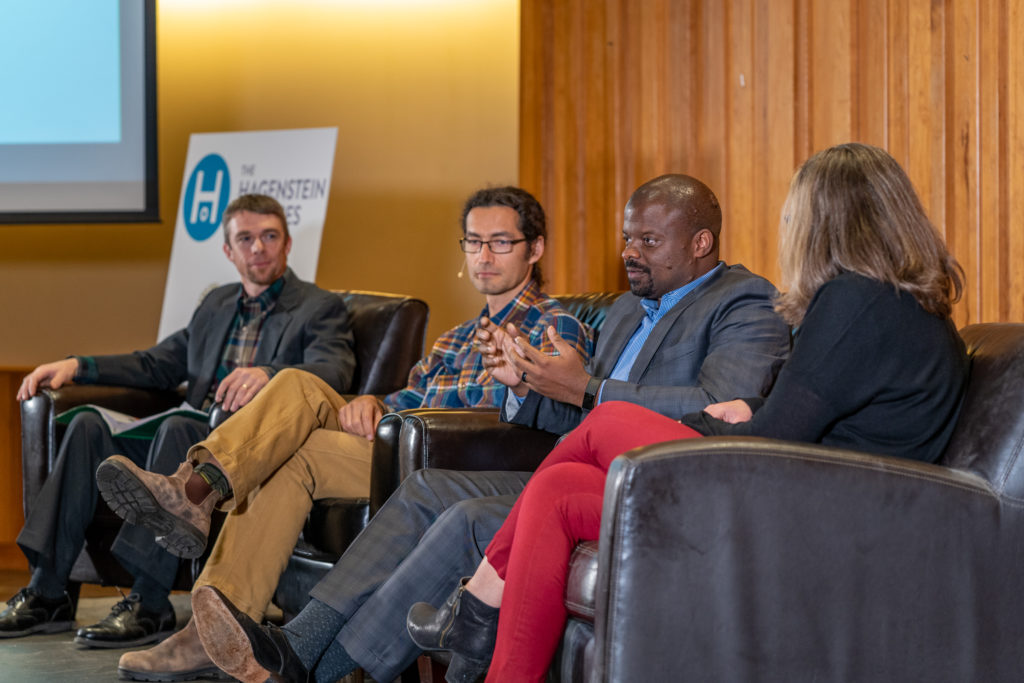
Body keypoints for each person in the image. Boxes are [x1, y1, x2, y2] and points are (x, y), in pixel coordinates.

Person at [186, 174, 792, 683]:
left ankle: (315, 669)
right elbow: (575, 408)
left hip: (644, 479)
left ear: (701, 242)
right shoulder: (629, 308)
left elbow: (715, 405)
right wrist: (524, 388)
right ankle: (301, 643)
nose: (630, 252)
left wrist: (585, 387)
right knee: (425, 489)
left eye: (649, 240)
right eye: (627, 237)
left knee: (468, 519)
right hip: (566, 459)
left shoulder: (742, 301)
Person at [402, 142, 972, 682]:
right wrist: (747, 408)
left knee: (602, 421)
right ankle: (491, 655)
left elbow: (777, 438)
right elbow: (809, 409)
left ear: (824, 223)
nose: (790, 231)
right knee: (560, 492)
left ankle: (477, 602)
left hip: (809, 512)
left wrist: (731, 421)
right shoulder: (899, 302)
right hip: (805, 492)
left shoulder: (855, 300)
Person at [99, 186, 593, 681]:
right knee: (290, 439)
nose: (484, 255)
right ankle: (213, 631)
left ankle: (195, 490)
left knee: (293, 384)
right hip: (401, 448)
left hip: (460, 467)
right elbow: (406, 400)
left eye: (501, 242)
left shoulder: (557, 325)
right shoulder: (456, 336)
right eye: (473, 241)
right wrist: (374, 403)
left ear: (536, 248)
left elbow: (550, 420)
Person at [0, 194, 354, 648]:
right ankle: (47, 593)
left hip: (237, 452)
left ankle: (149, 602)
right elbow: (157, 364)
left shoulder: (319, 307)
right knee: (87, 423)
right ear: (229, 251)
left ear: (286, 245)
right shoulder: (216, 305)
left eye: (270, 237)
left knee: (180, 430)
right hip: (189, 425)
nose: (259, 248)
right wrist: (79, 366)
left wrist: (270, 375)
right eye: (245, 239)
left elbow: (334, 370)